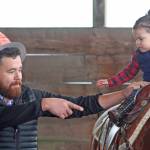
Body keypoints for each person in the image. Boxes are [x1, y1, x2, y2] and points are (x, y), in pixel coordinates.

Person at [0, 32, 148, 150]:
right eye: (11, 71)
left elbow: (79, 105)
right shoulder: (38, 102)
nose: (18, 76)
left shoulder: (29, 96)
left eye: (20, 70)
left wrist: (123, 94)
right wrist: (42, 105)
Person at [96, 10, 150, 89]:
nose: (137, 43)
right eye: (136, 39)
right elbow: (128, 73)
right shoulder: (138, 56)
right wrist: (110, 82)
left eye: (141, 39)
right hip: (147, 88)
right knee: (133, 92)